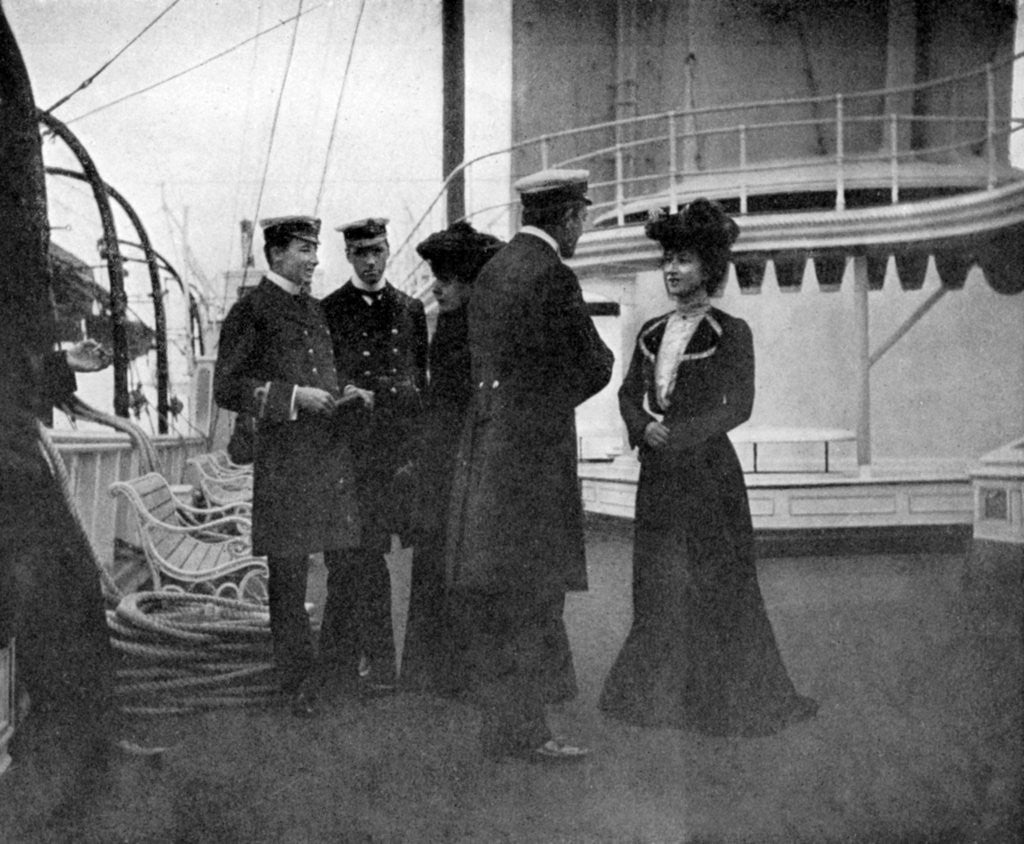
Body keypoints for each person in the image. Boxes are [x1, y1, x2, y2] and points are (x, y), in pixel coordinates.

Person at [599, 200, 818, 736]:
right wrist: (640, 426)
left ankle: (723, 702)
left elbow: (737, 406)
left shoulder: (731, 331)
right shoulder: (652, 331)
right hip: (659, 478)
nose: (672, 270)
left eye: (685, 260)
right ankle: (655, 697)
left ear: (710, 270)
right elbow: (629, 392)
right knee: (657, 581)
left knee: (716, 583)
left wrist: (677, 436)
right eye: (668, 260)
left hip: (709, 478)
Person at [446, 169, 614, 763]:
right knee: (535, 597)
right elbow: (594, 364)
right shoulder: (553, 276)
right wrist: (547, 399)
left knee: (500, 597)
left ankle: (504, 727)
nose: (583, 227)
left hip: (488, 452)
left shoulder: (493, 271)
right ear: (567, 217)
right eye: (582, 217)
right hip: (534, 462)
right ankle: (530, 734)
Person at [213, 215, 365, 717]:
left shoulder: (314, 310)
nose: (314, 259)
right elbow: (228, 388)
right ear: (276, 254)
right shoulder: (250, 311)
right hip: (285, 462)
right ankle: (297, 682)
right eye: (304, 249)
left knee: (346, 560)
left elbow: (323, 371)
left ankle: (333, 672)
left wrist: (344, 395)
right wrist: (295, 397)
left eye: (315, 249)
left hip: (328, 456)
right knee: (289, 572)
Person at [320, 217, 428, 695]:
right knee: (350, 558)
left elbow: (416, 386)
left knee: (368, 556)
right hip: (344, 455)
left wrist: (375, 394)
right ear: (348, 256)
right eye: (361, 252)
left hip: (388, 456)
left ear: (388, 251)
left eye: (377, 250)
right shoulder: (328, 311)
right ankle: (363, 664)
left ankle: (358, 665)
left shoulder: (410, 309)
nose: (369, 260)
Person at [400, 221, 504, 695]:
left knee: (465, 566)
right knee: (439, 562)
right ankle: (439, 672)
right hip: (442, 464)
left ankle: (461, 673)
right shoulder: (448, 328)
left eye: (447, 278)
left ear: (469, 282)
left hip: (470, 465)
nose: (436, 286)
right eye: (435, 276)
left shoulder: (481, 331)